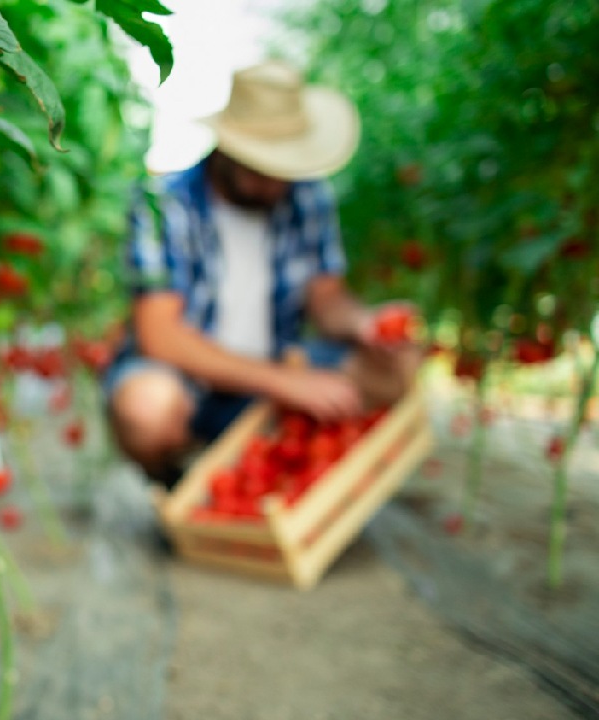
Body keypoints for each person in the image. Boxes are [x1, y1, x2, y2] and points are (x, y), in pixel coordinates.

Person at [104, 60, 420, 489]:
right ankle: (177, 479)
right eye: (262, 168)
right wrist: (287, 382)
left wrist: (363, 323)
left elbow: (327, 300)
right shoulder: (163, 204)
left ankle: (290, 469)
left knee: (399, 364)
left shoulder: (306, 197)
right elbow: (160, 334)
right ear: (228, 149)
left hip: (275, 373)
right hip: (193, 384)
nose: (276, 183)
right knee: (146, 408)